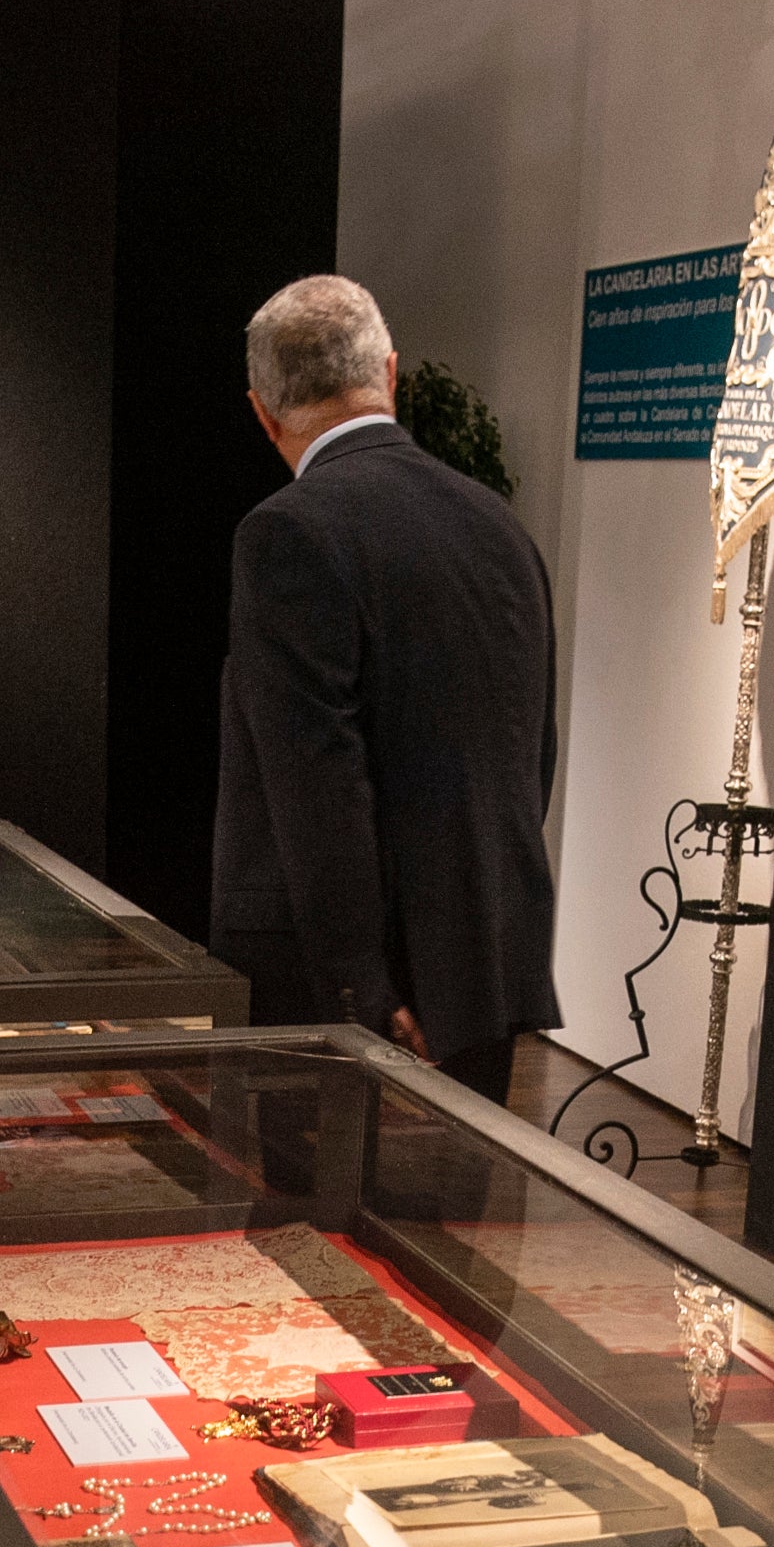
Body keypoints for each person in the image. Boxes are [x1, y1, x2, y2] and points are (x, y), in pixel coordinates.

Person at [210, 274, 559, 1103]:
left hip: (346, 989)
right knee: (455, 1225)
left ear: (262, 411)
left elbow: (315, 780)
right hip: (483, 962)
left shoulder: (286, 532)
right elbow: (528, 757)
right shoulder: (501, 527)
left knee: (311, 1229)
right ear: (391, 374)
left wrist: (360, 986)